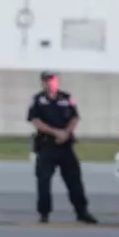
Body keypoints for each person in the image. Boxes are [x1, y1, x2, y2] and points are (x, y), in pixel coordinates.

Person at [27, 71, 98, 224]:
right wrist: (56, 132)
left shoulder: (66, 98)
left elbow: (75, 117)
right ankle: (44, 213)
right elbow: (35, 120)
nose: (50, 83)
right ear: (42, 82)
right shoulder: (38, 100)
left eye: (53, 80)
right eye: (47, 81)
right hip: (47, 145)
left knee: (74, 180)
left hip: (65, 146)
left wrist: (66, 133)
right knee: (43, 180)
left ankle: (82, 211)